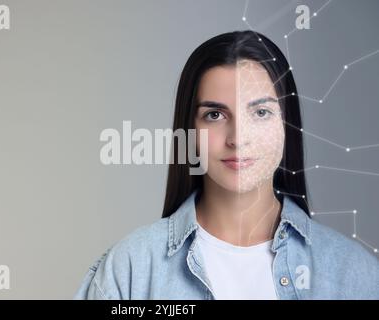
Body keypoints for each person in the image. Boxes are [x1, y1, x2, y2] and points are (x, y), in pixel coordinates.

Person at [74, 30, 379, 300]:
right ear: (189, 129)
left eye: (260, 113)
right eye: (215, 115)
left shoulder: (355, 274)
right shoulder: (130, 269)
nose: (238, 139)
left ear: (288, 126)